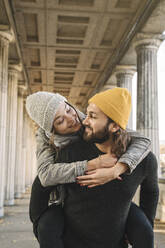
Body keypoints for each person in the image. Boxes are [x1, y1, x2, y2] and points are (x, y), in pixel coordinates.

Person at [26, 90, 157, 248]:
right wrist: (41, 228)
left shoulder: (143, 159)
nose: (81, 121)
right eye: (59, 121)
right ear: (51, 130)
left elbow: (151, 190)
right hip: (70, 233)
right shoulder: (65, 152)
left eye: (92, 116)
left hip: (115, 236)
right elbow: (43, 181)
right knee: (48, 223)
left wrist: (117, 169)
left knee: (144, 229)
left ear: (115, 125)